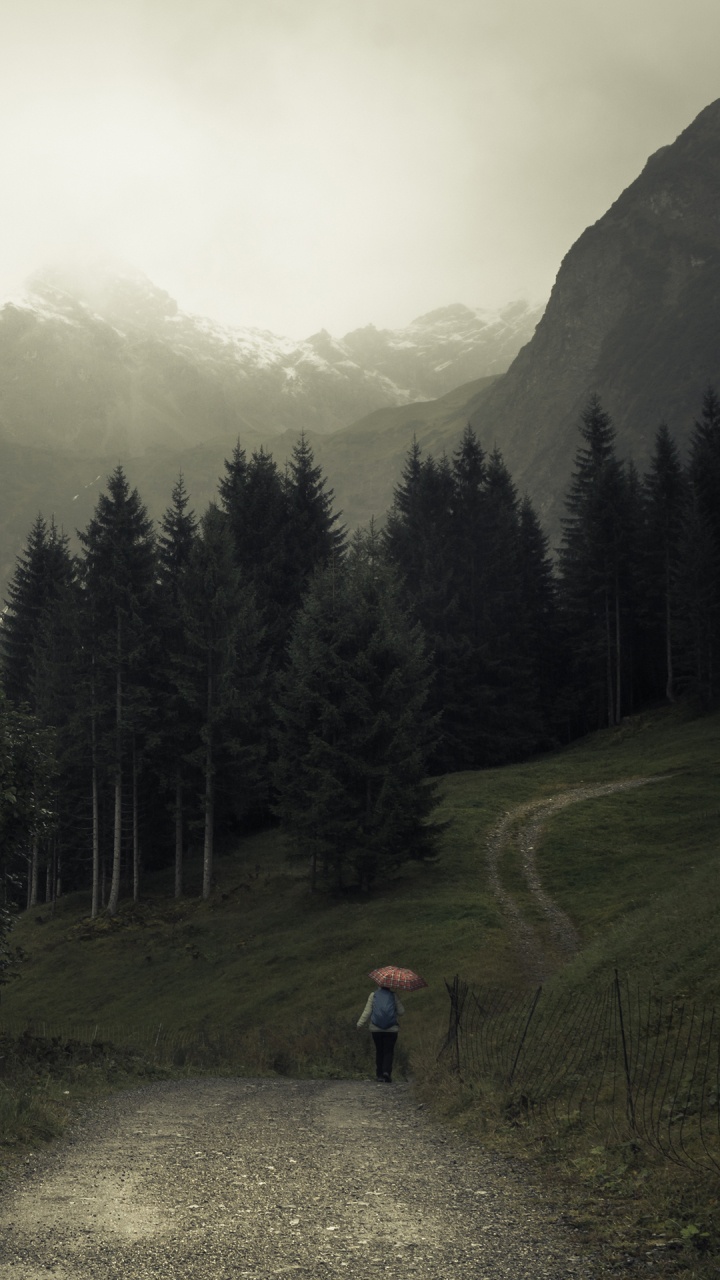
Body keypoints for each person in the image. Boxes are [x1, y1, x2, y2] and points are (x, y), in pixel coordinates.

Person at [357, 985, 404, 1082]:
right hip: (391, 1029)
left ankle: (379, 1075)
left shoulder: (373, 995)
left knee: (379, 1051)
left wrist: (359, 1024)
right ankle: (386, 1072)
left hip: (376, 1029)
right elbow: (401, 1012)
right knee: (389, 1051)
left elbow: (367, 1012)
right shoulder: (393, 995)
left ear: (379, 984)